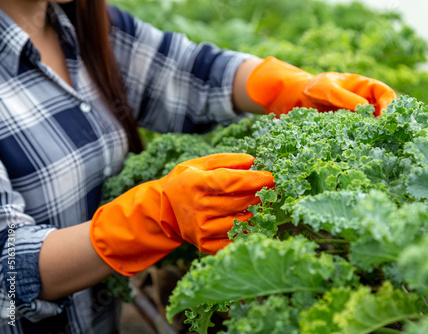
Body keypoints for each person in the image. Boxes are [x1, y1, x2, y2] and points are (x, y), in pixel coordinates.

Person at [0, 0, 396, 333]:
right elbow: (8, 265)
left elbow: (187, 70)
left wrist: (283, 86)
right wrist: (152, 219)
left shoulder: (78, 21)